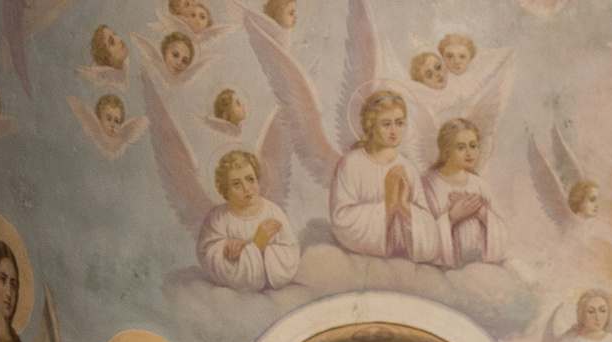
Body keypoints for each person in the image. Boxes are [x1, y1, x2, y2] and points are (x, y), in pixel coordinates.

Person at [329, 92, 443, 261]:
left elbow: (429, 233)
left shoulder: (408, 168)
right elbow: (341, 220)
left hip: (403, 258)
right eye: (386, 124)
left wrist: (404, 207)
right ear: (371, 125)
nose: (394, 131)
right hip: (362, 256)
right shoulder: (351, 164)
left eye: (399, 123)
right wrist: (389, 206)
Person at [198, 151, 301, 291]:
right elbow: (207, 255)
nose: (247, 188)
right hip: (234, 295)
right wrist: (227, 249)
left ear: (257, 179)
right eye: (236, 184)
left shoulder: (273, 212)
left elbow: (291, 252)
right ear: (225, 189)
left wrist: (257, 248)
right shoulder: (217, 218)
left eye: (250, 179)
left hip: (272, 291)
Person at [424, 119, 503, 265]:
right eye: (461, 147)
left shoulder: (481, 185)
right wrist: (452, 217)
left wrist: (481, 213)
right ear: (446, 150)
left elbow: (502, 233)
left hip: (480, 267)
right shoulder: (428, 184)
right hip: (442, 270)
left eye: (473, 146)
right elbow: (421, 238)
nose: (469, 153)